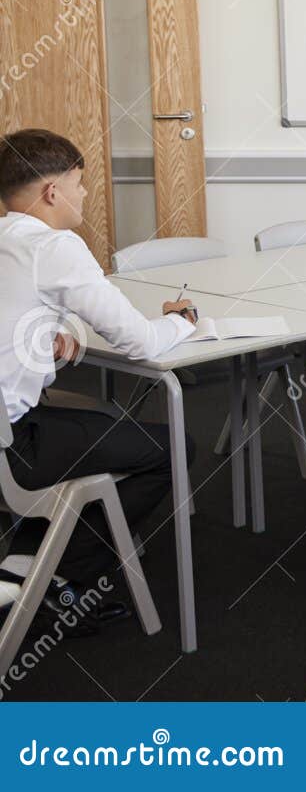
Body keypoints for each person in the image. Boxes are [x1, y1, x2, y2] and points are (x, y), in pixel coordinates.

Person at [0, 129, 196, 627]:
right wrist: (182, 319)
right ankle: (62, 578)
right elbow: (140, 343)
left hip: (12, 426)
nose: (85, 193)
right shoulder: (55, 246)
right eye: (80, 183)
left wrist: (53, 328)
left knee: (95, 422)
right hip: (13, 450)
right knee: (172, 449)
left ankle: (21, 562)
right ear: (52, 192)